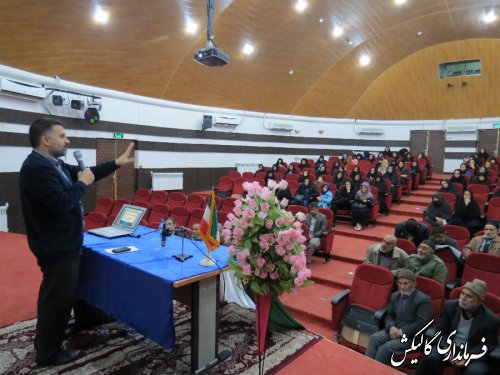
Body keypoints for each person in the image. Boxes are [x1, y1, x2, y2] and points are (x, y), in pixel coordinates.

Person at [19, 117, 135, 367]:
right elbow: (62, 202)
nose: (68, 139)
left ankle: (87, 319)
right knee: (56, 299)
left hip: (66, 242)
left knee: (76, 286)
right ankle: (48, 353)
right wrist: (82, 183)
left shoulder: (54, 164)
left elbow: (89, 173)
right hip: (56, 246)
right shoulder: (36, 168)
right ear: (45, 139)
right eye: (62, 135)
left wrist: (116, 163)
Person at [415, 279, 499, 375]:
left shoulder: (491, 320)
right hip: (450, 346)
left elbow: (488, 345)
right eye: (462, 294)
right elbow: (440, 329)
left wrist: (468, 356)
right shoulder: (450, 306)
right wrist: (446, 348)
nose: (463, 298)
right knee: (430, 358)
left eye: (468, 296)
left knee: (475, 371)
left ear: (478, 301)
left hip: (472, 351)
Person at [365, 270, 432, 365]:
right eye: (400, 283)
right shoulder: (395, 296)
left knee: (385, 347)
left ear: (414, 284)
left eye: (405, 283)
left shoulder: (424, 300)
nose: (402, 287)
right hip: (393, 330)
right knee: (374, 338)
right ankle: (365, 367)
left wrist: (401, 332)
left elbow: (422, 323)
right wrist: (391, 327)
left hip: (411, 337)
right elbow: (389, 315)